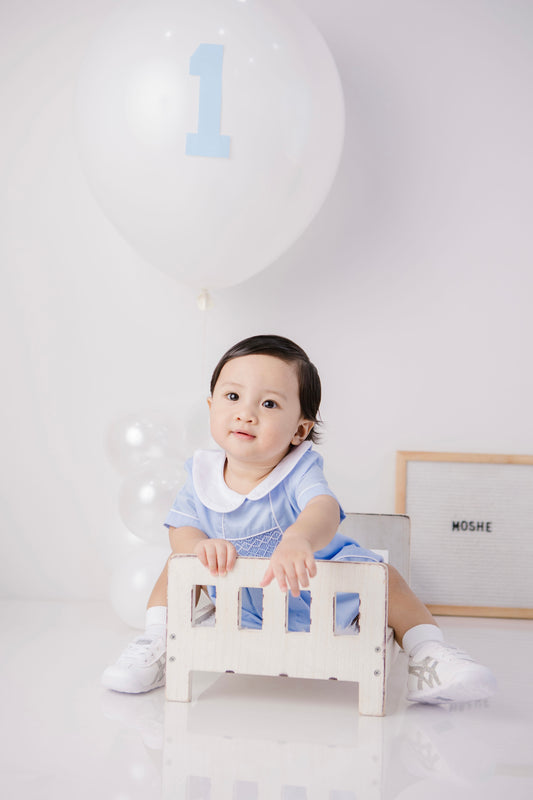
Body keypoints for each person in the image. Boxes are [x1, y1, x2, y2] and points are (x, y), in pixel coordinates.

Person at [102, 335, 496, 704]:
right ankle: (157, 643)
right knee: (177, 565)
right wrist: (199, 546)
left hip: (321, 588)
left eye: (269, 404)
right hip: (243, 599)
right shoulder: (200, 473)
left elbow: (323, 507)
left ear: (300, 429)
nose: (246, 414)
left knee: (384, 578)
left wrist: (299, 539)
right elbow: (181, 527)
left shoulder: (299, 469)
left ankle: (428, 655)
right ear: (211, 408)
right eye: (233, 396)